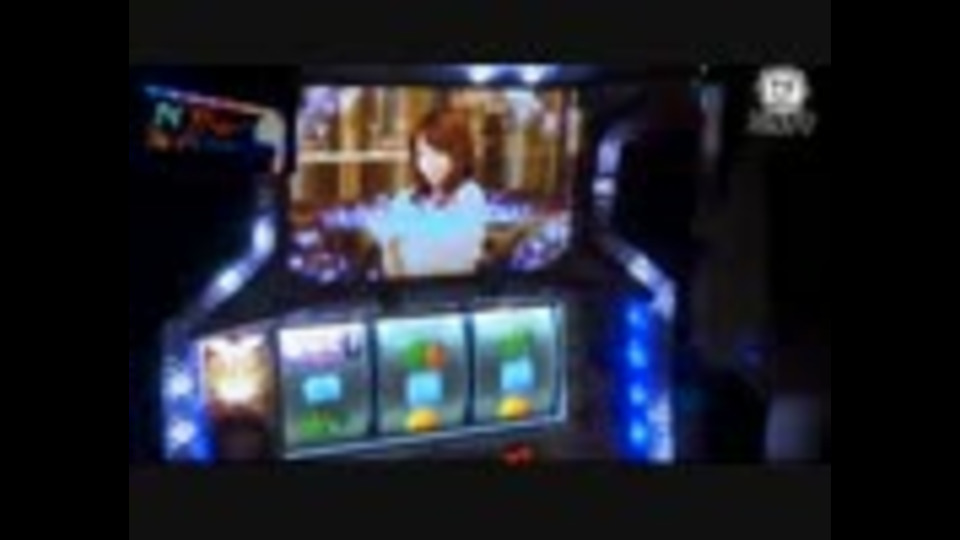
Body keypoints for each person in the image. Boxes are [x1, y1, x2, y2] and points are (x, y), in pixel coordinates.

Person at [369, 108, 489, 278]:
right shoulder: (405, 198)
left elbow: (452, 258)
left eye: (437, 153)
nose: (428, 164)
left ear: (458, 154)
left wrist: (400, 231)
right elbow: (392, 267)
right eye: (422, 155)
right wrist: (391, 242)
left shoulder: (470, 195)